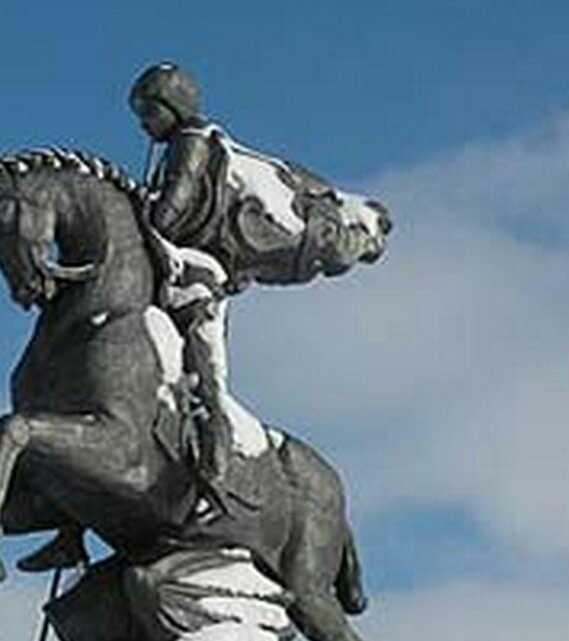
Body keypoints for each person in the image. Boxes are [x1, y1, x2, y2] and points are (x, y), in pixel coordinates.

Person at [129, 62, 391, 484]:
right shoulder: (181, 145)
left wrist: (141, 218)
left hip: (202, 274)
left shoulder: (190, 144)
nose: (144, 124)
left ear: (173, 106)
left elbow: (174, 204)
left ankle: (215, 434)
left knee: (202, 340)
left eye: (149, 113)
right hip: (187, 263)